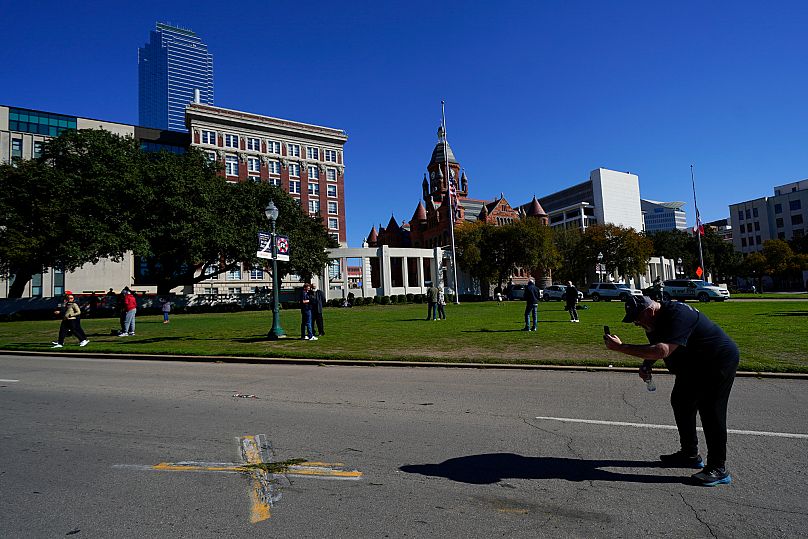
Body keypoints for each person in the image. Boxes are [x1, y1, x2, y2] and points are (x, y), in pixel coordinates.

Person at [603, 295, 739, 487]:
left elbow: (662, 350)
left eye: (637, 319)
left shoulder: (678, 313)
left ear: (649, 311)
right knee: (681, 401)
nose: (636, 323)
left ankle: (718, 467)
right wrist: (646, 365)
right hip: (694, 365)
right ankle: (689, 454)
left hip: (717, 361)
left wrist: (621, 348)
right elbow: (655, 349)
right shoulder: (652, 322)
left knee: (711, 410)